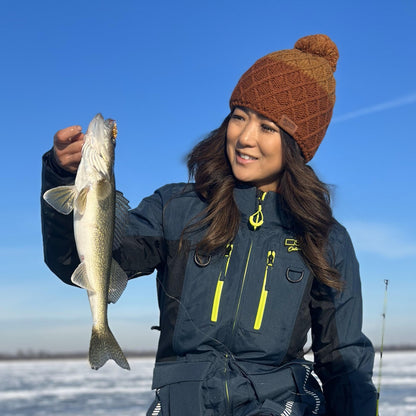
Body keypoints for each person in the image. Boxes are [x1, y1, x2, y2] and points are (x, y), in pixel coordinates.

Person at [41, 34, 377, 415]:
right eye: (239, 117)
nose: (245, 138)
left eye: (268, 128)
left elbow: (344, 360)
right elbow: (77, 261)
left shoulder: (326, 239)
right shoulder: (177, 208)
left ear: (297, 146)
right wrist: (61, 177)